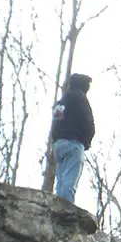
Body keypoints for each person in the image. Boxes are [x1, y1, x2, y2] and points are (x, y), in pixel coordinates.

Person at [50, 73, 95, 203]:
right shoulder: (80, 99)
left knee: (61, 182)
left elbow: (55, 122)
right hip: (74, 143)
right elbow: (88, 122)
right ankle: (65, 212)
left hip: (59, 145)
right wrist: (87, 141)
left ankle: (57, 206)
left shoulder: (61, 102)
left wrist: (56, 140)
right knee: (69, 183)